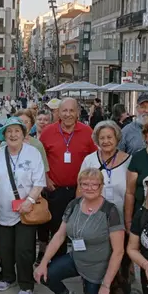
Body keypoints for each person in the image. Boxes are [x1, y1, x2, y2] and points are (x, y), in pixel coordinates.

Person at [35, 168, 140, 294]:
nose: (89, 188)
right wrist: (43, 262)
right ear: (80, 186)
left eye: (94, 185)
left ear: (101, 186)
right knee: (44, 275)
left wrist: (105, 285)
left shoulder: (110, 211)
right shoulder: (74, 204)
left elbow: (118, 252)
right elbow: (59, 236)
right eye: (85, 184)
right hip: (76, 259)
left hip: (98, 269)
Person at [0, 118, 47, 294]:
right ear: (4, 135)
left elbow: (39, 182)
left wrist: (29, 200)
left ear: (23, 134)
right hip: (3, 210)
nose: (13, 135)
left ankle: (26, 283)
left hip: (27, 210)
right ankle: (7, 276)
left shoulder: (33, 153)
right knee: (5, 248)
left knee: (25, 249)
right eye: (9, 131)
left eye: (16, 131)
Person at [40, 98, 98, 257]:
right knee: (58, 229)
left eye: (71, 111)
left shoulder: (88, 132)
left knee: (81, 229)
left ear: (78, 113)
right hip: (56, 190)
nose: (68, 114)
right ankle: (57, 264)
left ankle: (82, 266)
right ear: (58, 112)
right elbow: (39, 159)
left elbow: (95, 159)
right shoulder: (47, 132)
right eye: (64, 111)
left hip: (81, 192)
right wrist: (45, 178)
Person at [80, 121, 131, 220]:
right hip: (93, 217)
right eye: (102, 138)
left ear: (116, 138)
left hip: (121, 218)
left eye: (109, 137)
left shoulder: (129, 161)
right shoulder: (89, 160)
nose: (105, 141)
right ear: (97, 140)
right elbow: (80, 187)